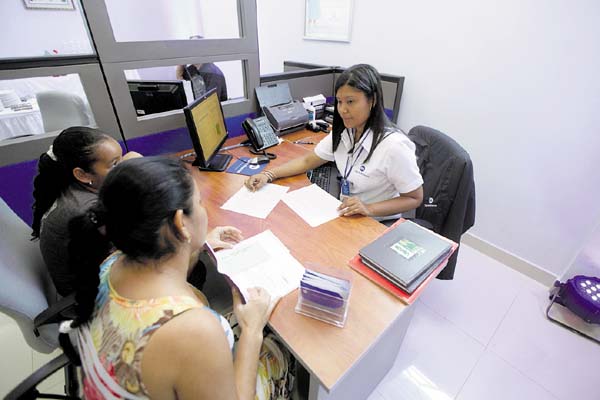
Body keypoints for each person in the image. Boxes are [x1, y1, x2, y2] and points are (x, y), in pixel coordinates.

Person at [68, 157, 287, 399]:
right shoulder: (194, 330)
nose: (203, 210)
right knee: (281, 353)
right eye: (200, 202)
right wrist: (252, 331)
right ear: (181, 223)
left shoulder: (112, 263)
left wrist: (195, 243)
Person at [245, 64, 424, 221]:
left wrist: (369, 209)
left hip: (375, 222)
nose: (342, 110)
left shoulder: (394, 146)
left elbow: (414, 198)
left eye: (351, 102)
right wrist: (268, 175)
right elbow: (308, 161)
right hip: (347, 212)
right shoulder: (346, 131)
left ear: (373, 100)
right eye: (339, 102)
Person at [31, 126, 142, 296]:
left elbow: (132, 156)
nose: (123, 168)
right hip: (92, 298)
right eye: (114, 164)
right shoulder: (88, 212)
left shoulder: (71, 184)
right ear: (83, 175)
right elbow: (139, 250)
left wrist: (128, 160)